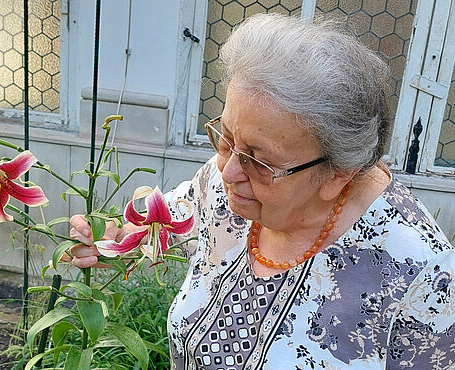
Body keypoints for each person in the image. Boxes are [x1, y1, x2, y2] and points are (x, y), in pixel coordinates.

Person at [69, 13, 454, 370]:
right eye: (227, 137)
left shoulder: (422, 276)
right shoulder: (225, 188)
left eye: (260, 160)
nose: (228, 170)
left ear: (339, 173)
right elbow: (161, 228)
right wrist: (113, 240)